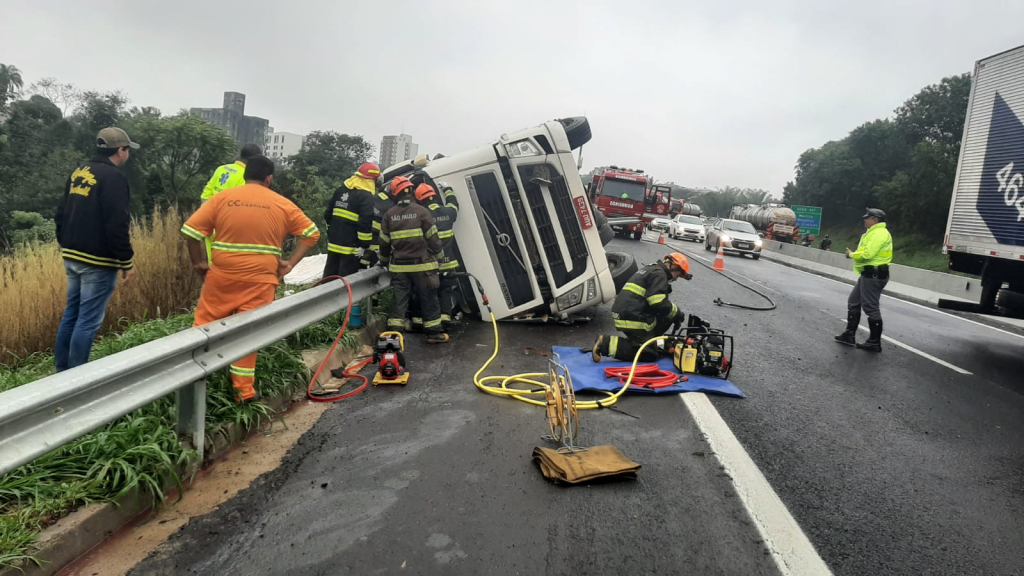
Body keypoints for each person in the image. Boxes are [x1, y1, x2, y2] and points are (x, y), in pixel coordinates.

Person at [181, 156, 320, 401]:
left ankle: (193, 382)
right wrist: (289, 264)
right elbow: (311, 234)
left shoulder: (222, 198)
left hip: (222, 275)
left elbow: (191, 232)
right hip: (261, 280)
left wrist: (199, 263)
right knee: (248, 334)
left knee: (203, 326)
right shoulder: (281, 203)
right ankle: (243, 392)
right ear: (269, 179)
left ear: (245, 175)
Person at [53, 127, 139, 372]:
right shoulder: (114, 178)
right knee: (87, 321)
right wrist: (126, 261)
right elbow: (117, 222)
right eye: (127, 149)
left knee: (71, 314)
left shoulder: (80, 171)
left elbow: (60, 211)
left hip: (71, 254)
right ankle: (77, 379)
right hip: (97, 261)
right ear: (120, 151)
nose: (128, 154)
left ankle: (61, 374)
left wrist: (65, 242)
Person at [379, 176, 449, 344]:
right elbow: (433, 239)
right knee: (428, 298)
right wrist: (440, 259)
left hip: (400, 268)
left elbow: (384, 242)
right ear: (411, 191)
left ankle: (393, 337)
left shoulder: (389, 215)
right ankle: (433, 333)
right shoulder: (422, 212)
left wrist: (382, 261)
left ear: (395, 193)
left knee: (399, 300)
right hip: (422, 266)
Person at [591, 253, 692, 362]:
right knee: (649, 353)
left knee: (665, 317)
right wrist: (677, 313)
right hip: (632, 316)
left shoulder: (652, 269)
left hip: (627, 311)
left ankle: (653, 342)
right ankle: (605, 344)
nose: (675, 279)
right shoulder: (660, 275)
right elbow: (658, 303)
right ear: (674, 266)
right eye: (677, 276)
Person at [834, 208, 893, 352]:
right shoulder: (872, 233)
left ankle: (874, 342)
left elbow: (868, 254)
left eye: (868, 218)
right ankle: (849, 334)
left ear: (875, 219)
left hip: (874, 275)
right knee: (853, 301)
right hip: (868, 274)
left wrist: (851, 254)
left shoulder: (879, 233)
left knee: (871, 307)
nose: (865, 220)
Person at [199, 144, 263, 263]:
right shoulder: (246, 177)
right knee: (227, 266)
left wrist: (207, 216)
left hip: (210, 225)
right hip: (226, 230)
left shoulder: (222, 169)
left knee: (212, 262)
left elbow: (206, 193)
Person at [414, 183, 460, 328]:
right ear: (434, 196)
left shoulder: (422, 216)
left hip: (430, 264)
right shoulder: (449, 212)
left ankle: (422, 320)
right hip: (448, 264)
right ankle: (446, 318)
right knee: (445, 291)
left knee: (428, 292)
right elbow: (454, 204)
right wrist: (448, 189)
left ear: (420, 200)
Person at [323, 162, 378, 278]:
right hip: (351, 247)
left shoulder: (341, 190)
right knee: (346, 279)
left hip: (334, 243)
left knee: (329, 276)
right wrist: (364, 245)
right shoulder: (366, 196)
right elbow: (365, 222)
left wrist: (331, 232)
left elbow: (328, 214)